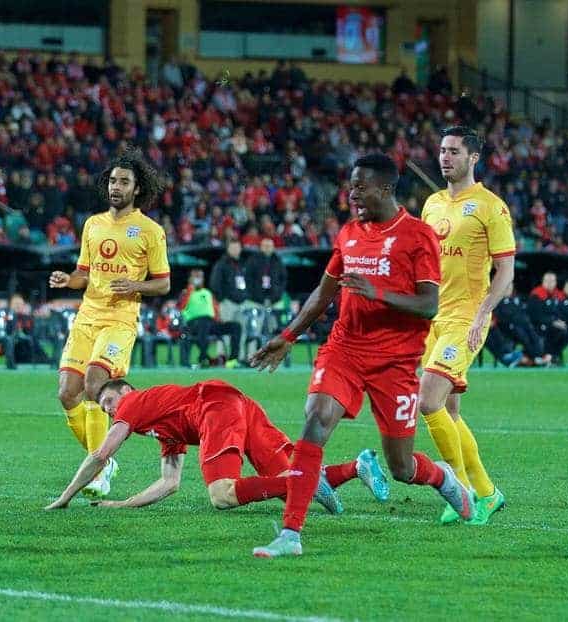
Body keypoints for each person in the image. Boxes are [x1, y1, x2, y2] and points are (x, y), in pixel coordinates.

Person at [248, 153, 473, 558]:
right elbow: (324, 291)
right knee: (315, 420)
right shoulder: (349, 233)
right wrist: (288, 336)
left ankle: (444, 480)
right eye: (351, 186)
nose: (352, 195)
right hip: (344, 351)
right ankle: (290, 534)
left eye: (360, 186)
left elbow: (429, 305)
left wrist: (377, 293)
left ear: (385, 188)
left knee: (402, 468)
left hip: (395, 364)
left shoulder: (417, 235)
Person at [44, 379, 388, 514]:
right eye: (104, 406)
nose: (107, 409)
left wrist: (65, 497)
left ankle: (305, 480)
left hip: (215, 408)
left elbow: (101, 454)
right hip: (239, 403)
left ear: (125, 391)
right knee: (283, 484)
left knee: (222, 495)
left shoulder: (133, 402)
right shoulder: (162, 423)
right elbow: (170, 483)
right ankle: (356, 467)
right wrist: (121, 504)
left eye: (108, 401)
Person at [49, 148, 171, 498]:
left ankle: (99, 468)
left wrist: (135, 285)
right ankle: (104, 458)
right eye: (113, 181)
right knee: (66, 393)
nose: (116, 187)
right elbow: (83, 275)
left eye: (124, 182)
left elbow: (163, 283)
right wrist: (66, 280)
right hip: (87, 315)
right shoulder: (93, 225)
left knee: (93, 383)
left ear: (137, 189)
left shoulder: (149, 231)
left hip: (120, 319)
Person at [418, 126, 515, 525]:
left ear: (473, 158)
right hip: (433, 319)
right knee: (450, 412)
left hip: (466, 318)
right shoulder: (432, 204)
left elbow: (505, 271)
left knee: (428, 401)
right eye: (442, 150)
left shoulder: (491, 206)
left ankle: (460, 491)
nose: (445, 157)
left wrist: (482, 314)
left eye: (454, 151)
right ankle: (487, 492)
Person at [176, 269, 240, 367]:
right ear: (190, 279)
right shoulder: (186, 293)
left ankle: (232, 359)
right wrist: (190, 289)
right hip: (193, 324)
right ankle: (203, 358)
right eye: (195, 276)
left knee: (236, 326)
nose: (198, 279)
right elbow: (180, 307)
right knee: (203, 322)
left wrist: (219, 320)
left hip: (211, 323)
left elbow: (215, 309)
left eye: (200, 276)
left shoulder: (208, 293)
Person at [209, 239, 250, 357]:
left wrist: (246, 296)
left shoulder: (242, 264)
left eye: (237, 247)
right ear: (228, 249)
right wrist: (222, 300)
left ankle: (239, 357)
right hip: (228, 303)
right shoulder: (221, 264)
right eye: (233, 248)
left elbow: (248, 282)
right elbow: (215, 284)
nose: (235, 250)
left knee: (242, 332)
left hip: (242, 303)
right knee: (226, 332)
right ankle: (223, 357)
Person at [528, 272, 568, 362]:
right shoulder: (536, 294)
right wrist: (553, 321)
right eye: (547, 281)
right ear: (543, 281)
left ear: (555, 282)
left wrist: (561, 321)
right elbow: (535, 315)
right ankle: (550, 356)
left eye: (552, 281)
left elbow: (563, 312)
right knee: (558, 332)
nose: (550, 283)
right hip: (539, 325)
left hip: (555, 324)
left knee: (567, 333)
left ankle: (550, 356)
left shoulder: (559, 295)